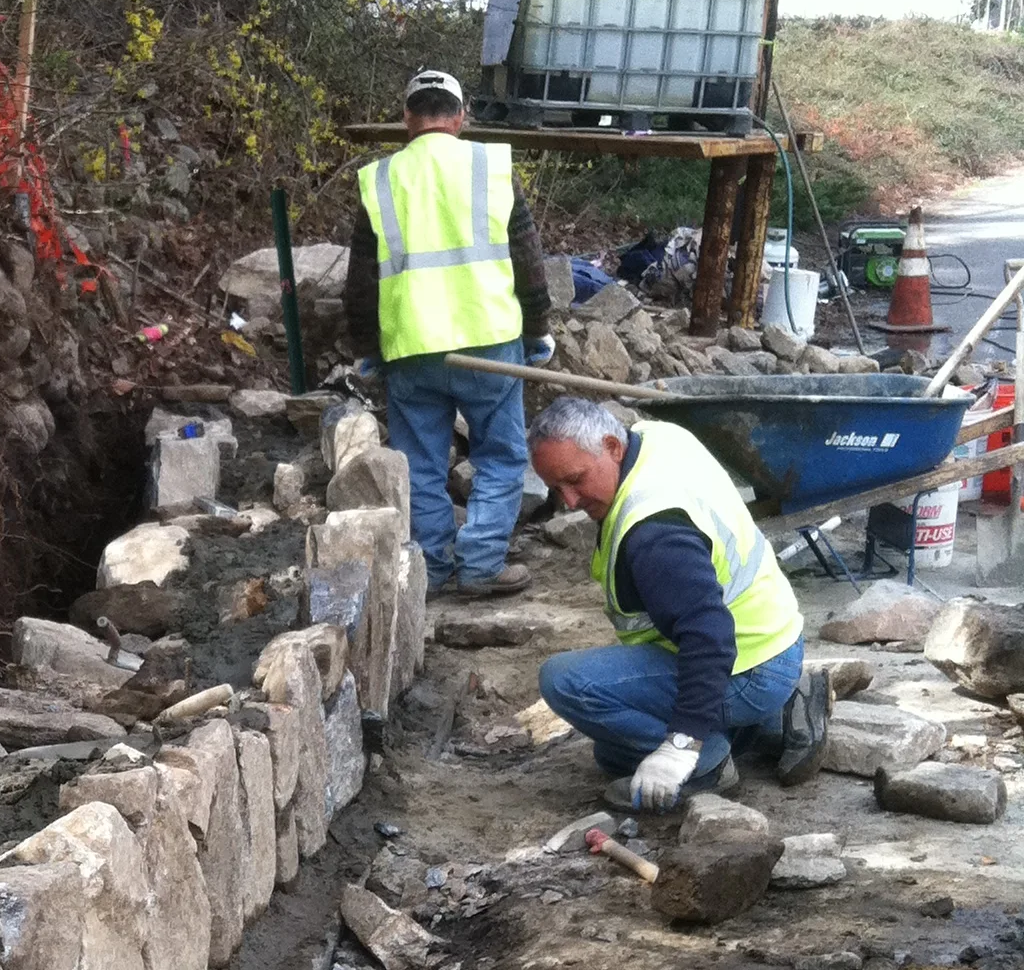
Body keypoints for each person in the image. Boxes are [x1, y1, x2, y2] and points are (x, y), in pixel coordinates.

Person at [528, 393, 829, 811]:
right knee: (611, 753)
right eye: (556, 488)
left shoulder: (656, 534)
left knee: (565, 682)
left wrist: (680, 745)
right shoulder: (655, 438)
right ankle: (775, 714)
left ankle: (707, 765)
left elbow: (709, 635)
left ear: (612, 448)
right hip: (773, 640)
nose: (571, 502)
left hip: (744, 665)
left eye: (575, 479)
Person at [344, 67, 555, 600]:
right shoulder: (491, 167)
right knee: (502, 456)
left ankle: (433, 569)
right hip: (489, 341)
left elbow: (362, 280)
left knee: (420, 463)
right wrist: (538, 331)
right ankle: (482, 565)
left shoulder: (383, 179)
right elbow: (527, 259)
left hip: (411, 346)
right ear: (461, 118)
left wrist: (368, 349)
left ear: (406, 120)